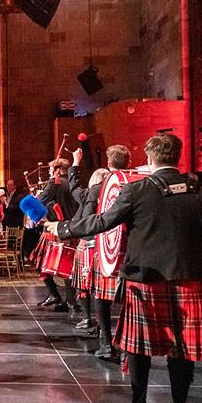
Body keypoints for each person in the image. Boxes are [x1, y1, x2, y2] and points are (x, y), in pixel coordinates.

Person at [45, 133, 202, 403]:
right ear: (177, 157)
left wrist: (62, 228)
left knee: (138, 348)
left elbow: (102, 222)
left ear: (150, 158)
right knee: (182, 351)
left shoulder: (137, 190)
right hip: (189, 281)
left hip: (145, 280)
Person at [68, 144, 131, 358]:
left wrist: (67, 229)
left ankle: (106, 343)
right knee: (128, 299)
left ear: (109, 163)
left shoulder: (98, 189)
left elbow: (90, 219)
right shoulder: (138, 185)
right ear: (129, 163)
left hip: (104, 247)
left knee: (102, 296)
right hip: (129, 249)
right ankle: (128, 346)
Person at [34, 158, 80, 312]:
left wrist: (35, 200)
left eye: (50, 169)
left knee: (40, 262)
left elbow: (39, 203)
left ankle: (55, 295)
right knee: (68, 266)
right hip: (72, 228)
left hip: (54, 229)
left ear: (58, 170)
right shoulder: (74, 181)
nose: (49, 172)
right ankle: (71, 301)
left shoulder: (55, 182)